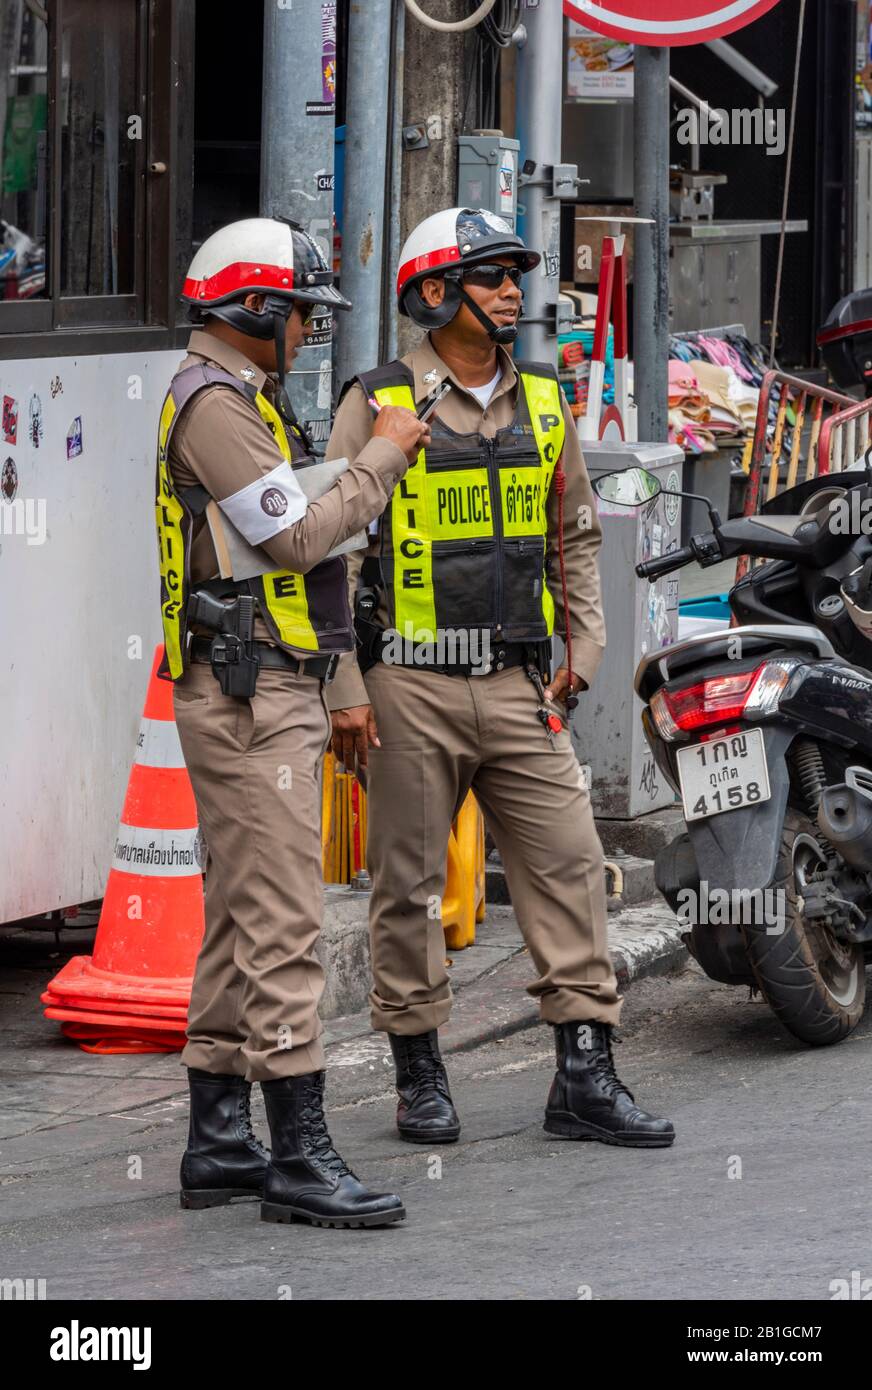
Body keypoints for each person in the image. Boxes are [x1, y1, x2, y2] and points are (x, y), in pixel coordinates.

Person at [325, 207, 675, 1150]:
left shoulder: (548, 402)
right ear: (435, 293)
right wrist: (346, 687)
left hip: (522, 687)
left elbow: (575, 536)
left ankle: (585, 1075)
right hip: (408, 684)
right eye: (493, 274)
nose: (516, 288)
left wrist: (585, 654)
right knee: (407, 884)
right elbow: (337, 551)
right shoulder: (378, 400)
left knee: (569, 867)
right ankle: (419, 1073)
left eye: (518, 271)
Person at [156, 216, 430, 1227]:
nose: (310, 329)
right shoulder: (217, 406)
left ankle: (219, 1142)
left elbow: (282, 540)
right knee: (282, 922)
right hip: (247, 694)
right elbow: (299, 534)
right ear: (254, 309)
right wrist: (384, 458)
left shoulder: (235, 399)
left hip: (258, 683)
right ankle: (299, 1156)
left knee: (239, 915)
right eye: (301, 311)